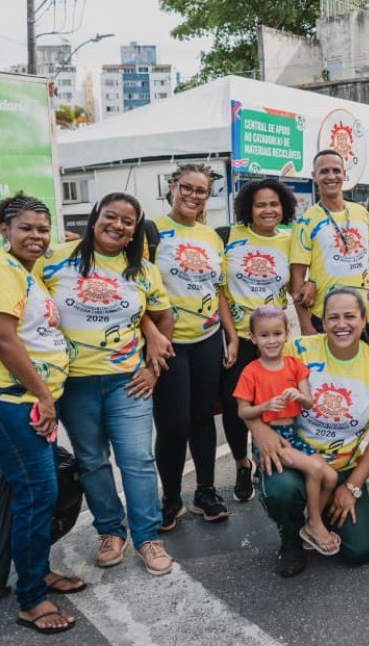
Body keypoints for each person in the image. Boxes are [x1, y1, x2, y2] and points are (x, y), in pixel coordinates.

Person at [42, 192, 176, 577]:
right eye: (110, 216)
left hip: (127, 382)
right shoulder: (56, 262)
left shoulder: (143, 270)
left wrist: (153, 367)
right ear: (95, 216)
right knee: (93, 462)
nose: (118, 225)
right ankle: (110, 533)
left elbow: (162, 319)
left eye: (128, 221)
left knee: (137, 460)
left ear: (135, 229)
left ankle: (147, 537)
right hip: (75, 384)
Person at [0, 193, 79, 634]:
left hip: (26, 401)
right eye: (25, 228)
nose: (36, 236)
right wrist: (44, 397)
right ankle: (31, 599)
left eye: (42, 229)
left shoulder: (25, 273)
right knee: (36, 494)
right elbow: (2, 339)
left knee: (40, 492)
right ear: (4, 230)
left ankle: (39, 572)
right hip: (5, 401)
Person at [248, 286, 369, 577]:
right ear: (323, 320)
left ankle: (321, 515)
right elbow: (252, 386)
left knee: (359, 552)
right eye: (333, 317)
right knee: (282, 490)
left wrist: (352, 487)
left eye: (349, 316)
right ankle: (291, 537)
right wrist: (259, 430)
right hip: (295, 455)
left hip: (343, 467)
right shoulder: (299, 350)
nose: (341, 325)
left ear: (363, 318)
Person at [146, 163, 237, 528]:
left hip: (208, 338)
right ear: (172, 186)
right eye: (187, 188)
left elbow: (219, 292)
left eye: (201, 191)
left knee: (202, 419)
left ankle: (205, 491)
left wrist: (229, 335)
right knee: (173, 424)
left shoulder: (212, 237)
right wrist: (150, 334)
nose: (194, 196)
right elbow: (137, 286)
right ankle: (170, 497)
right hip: (169, 343)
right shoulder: (151, 230)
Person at [234, 305, 339, 555]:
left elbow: (309, 401)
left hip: (294, 434)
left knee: (331, 477)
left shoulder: (293, 364)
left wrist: (298, 396)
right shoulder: (251, 371)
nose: (272, 341)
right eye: (264, 335)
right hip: (271, 440)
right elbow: (242, 411)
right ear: (253, 338)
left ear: (286, 333)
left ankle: (307, 526)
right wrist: (265, 406)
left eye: (277, 334)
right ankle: (314, 523)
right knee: (314, 469)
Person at [219, 177, 298, 503]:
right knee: (235, 405)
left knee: (275, 403)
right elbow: (219, 290)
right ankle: (241, 463)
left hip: (275, 340)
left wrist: (306, 289)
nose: (268, 210)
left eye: (274, 204)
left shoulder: (290, 239)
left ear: (284, 208)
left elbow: (297, 283)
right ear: (248, 209)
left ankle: (270, 460)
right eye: (260, 204)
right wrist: (231, 337)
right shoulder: (228, 236)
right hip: (239, 336)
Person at [289, 149, 369, 347]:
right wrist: (306, 327)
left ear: (344, 174)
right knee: (331, 377)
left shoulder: (361, 213)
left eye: (336, 170)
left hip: (366, 317)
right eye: (324, 172)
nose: (331, 176)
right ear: (314, 176)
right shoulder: (305, 222)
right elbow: (296, 280)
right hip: (327, 319)